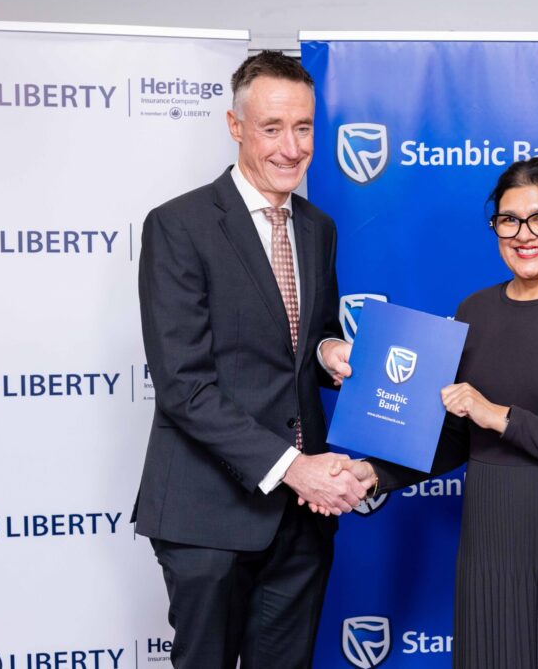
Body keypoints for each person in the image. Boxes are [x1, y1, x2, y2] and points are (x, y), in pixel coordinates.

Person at [328, 157, 538, 668]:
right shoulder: (475, 311)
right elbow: (452, 438)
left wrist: (501, 416)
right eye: (508, 220)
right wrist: (372, 473)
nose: (525, 234)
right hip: (494, 541)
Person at [132, 51, 367, 669]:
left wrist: (328, 350)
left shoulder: (318, 227)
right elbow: (184, 387)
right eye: (272, 128)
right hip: (209, 514)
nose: (292, 148)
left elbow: (304, 341)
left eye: (304, 128)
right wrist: (294, 468)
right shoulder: (179, 226)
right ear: (236, 127)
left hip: (300, 521)